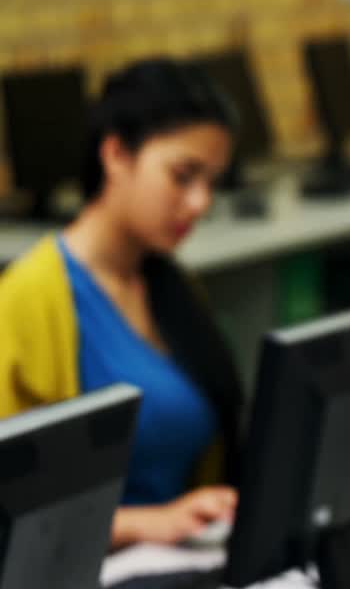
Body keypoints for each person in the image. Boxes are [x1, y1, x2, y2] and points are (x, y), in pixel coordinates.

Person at [0, 59, 244, 548]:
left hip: (181, 564)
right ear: (115, 155)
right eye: (183, 175)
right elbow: (10, 509)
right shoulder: (28, 300)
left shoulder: (172, 287)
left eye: (211, 181)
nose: (200, 203)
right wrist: (147, 523)